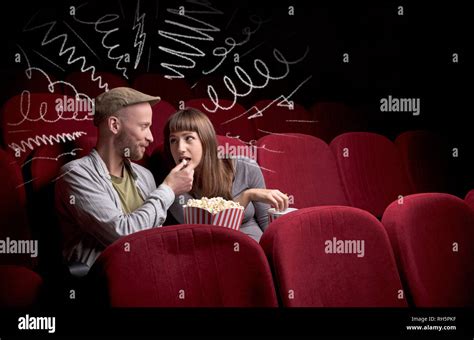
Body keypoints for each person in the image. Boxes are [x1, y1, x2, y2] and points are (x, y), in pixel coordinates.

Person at [55, 87, 194, 270]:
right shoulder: (75, 174)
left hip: (151, 272)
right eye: (144, 126)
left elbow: (154, 238)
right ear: (114, 125)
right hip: (108, 281)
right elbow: (123, 235)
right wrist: (168, 189)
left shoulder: (145, 176)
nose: (151, 137)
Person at [164, 108, 289, 242]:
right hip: (215, 252)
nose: (180, 148)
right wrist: (246, 196)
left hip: (256, 247)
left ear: (206, 140)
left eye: (188, 138)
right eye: (173, 140)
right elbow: (209, 232)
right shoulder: (172, 185)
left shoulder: (246, 167)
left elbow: (265, 221)